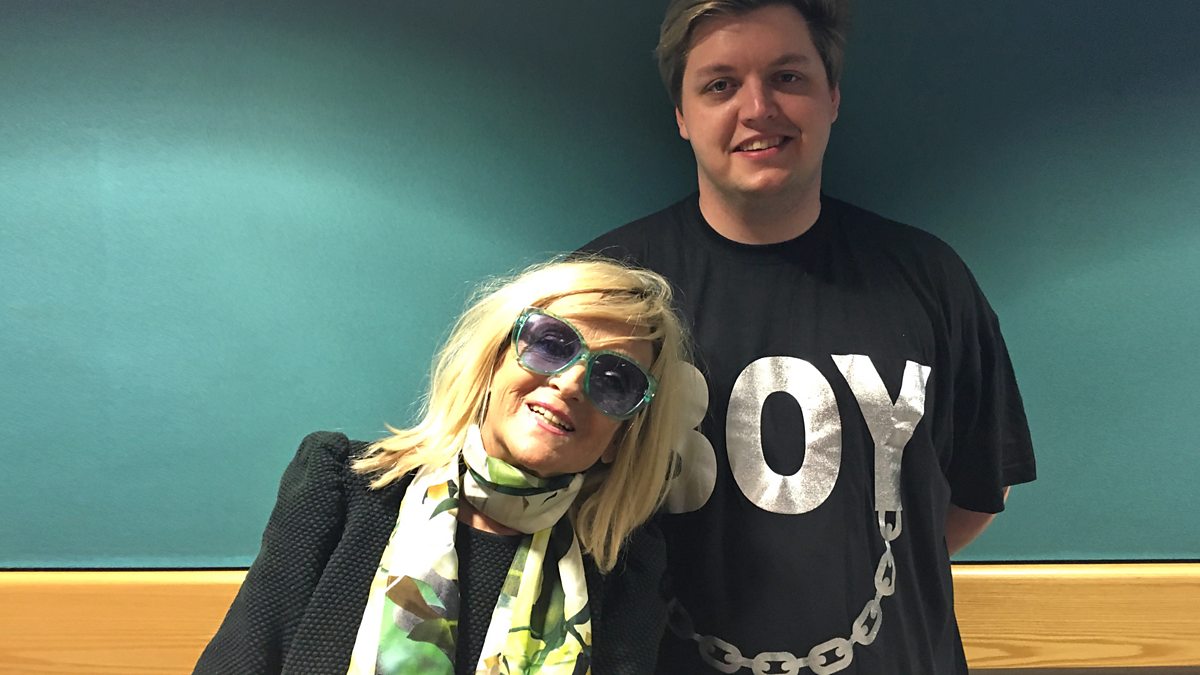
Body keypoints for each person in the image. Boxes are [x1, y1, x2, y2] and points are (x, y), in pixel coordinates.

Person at [581, 1, 1037, 673]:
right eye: (720, 85)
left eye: (787, 77)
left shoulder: (930, 278)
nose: (757, 108)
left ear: (833, 97)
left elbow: (974, 493)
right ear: (681, 115)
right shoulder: (601, 294)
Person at [194, 258, 691, 674]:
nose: (570, 382)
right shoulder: (341, 487)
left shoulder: (623, 569)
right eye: (551, 344)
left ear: (622, 436)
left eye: (615, 380)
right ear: (492, 363)